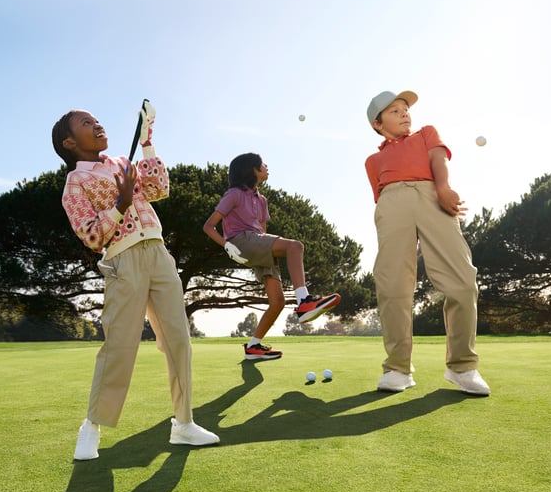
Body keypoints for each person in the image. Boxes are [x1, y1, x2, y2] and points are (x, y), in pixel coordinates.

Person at [52, 102, 219, 460]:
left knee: (178, 340)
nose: (97, 125)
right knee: (120, 346)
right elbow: (92, 236)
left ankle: (184, 423)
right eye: (86, 123)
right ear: (69, 142)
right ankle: (92, 425)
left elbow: (159, 189)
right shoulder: (74, 183)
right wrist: (121, 203)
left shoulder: (123, 164)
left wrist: (147, 144)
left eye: (97, 120)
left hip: (158, 253)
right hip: (122, 260)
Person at [364, 90, 490, 396]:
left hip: (432, 195)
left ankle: (462, 367)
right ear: (378, 124)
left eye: (405, 109)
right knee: (393, 285)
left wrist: (443, 188)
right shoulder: (373, 160)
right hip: (392, 203)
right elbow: (380, 197)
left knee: (462, 281)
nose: (404, 113)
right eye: (394, 111)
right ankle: (397, 368)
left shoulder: (427, 133)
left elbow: (437, 159)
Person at [203, 152, 341, 361]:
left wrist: (267, 246)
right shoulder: (234, 194)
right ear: (253, 170)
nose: (266, 167)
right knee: (295, 247)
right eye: (262, 164)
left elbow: (262, 229)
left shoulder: (262, 200)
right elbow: (209, 226)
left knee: (277, 302)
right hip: (241, 242)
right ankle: (304, 302)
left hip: (257, 244)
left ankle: (253, 346)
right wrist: (227, 246)